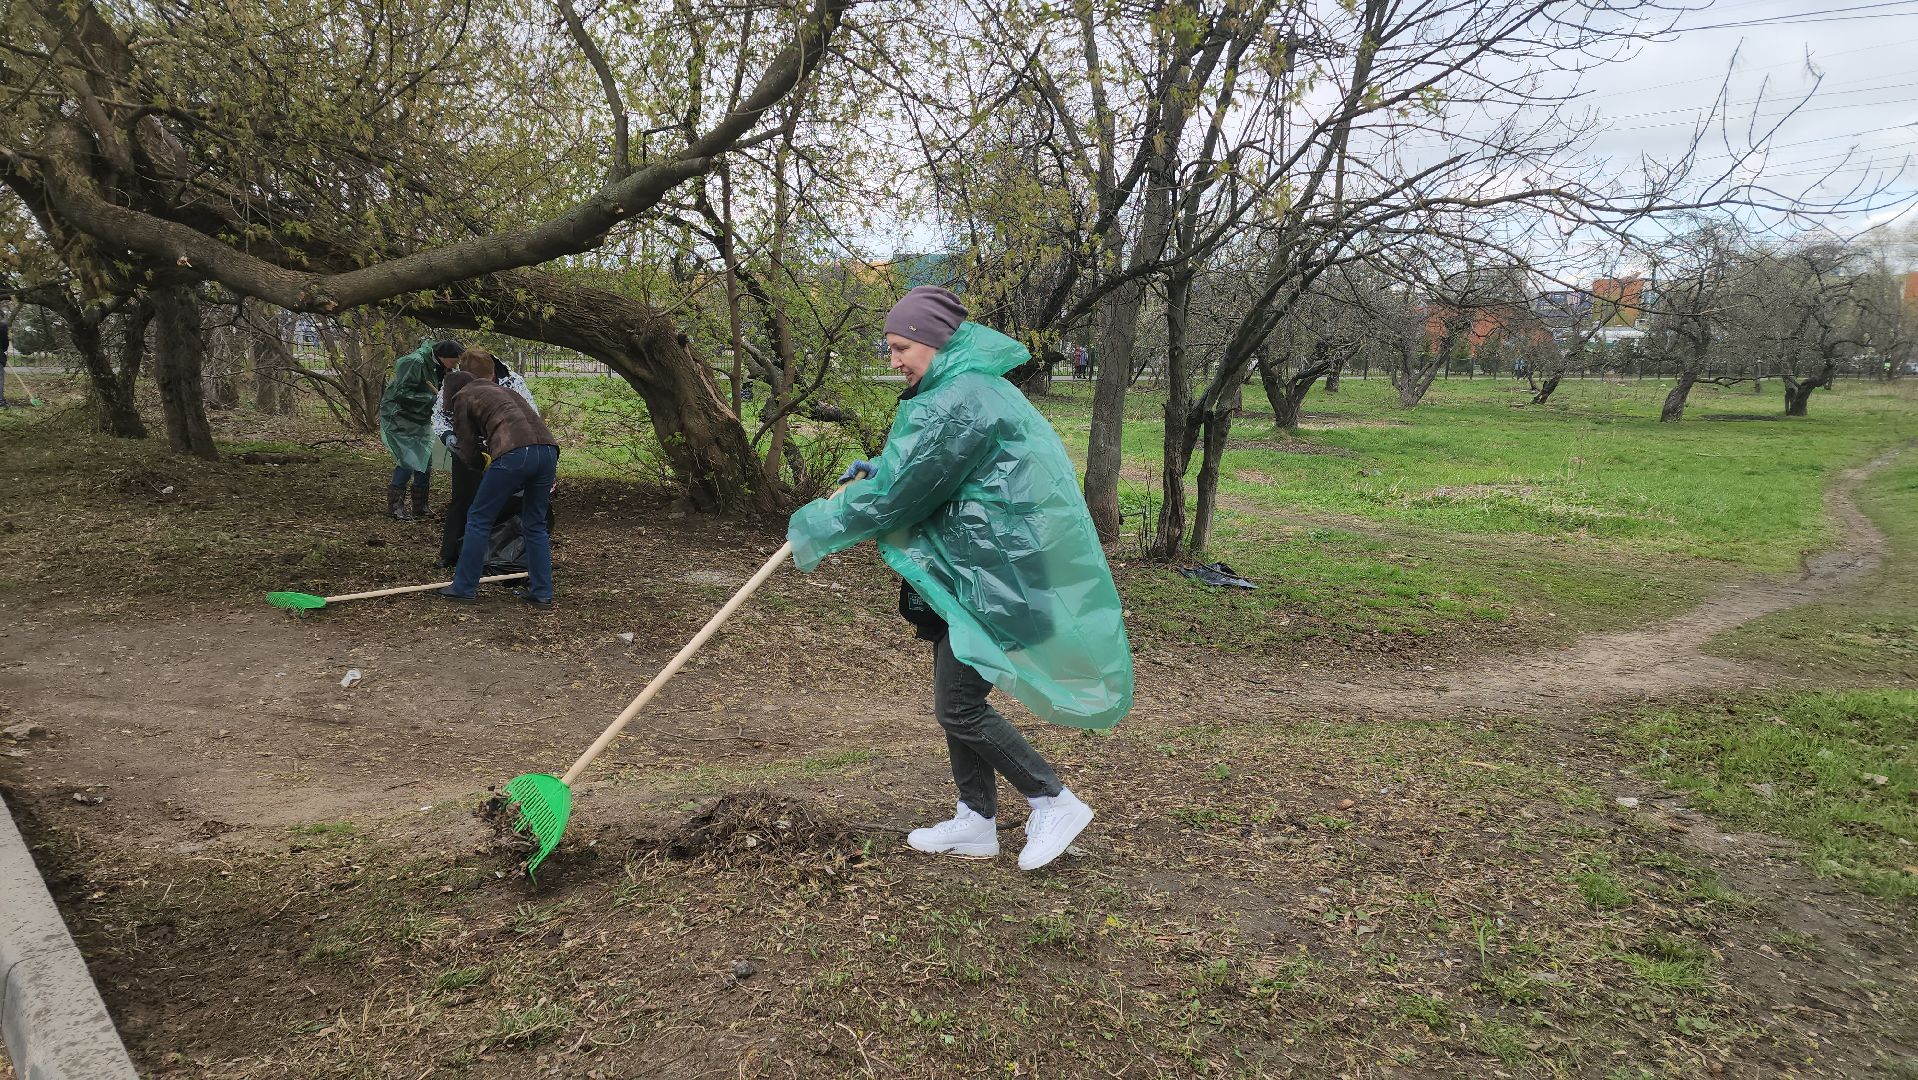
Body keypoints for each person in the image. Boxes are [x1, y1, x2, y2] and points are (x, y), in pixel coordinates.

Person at [787, 286, 1133, 871]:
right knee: (957, 695)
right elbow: (926, 472)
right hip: (983, 573)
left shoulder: (958, 399)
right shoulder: (963, 389)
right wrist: (882, 469)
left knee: (959, 704)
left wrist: (819, 523)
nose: (894, 361)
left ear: (932, 341)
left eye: (901, 348)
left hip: (999, 578)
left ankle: (1053, 800)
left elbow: (900, 495)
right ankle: (976, 819)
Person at [438, 350, 559, 608]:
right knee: (534, 524)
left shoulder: (464, 395)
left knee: (479, 518)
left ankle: (463, 587)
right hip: (548, 451)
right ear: (492, 374)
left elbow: (466, 446)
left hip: (514, 453)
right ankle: (542, 592)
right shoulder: (511, 391)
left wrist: (480, 463)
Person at [430, 345, 539, 568]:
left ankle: (501, 555)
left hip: (506, 448)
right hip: (467, 445)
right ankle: (451, 553)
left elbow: (531, 415)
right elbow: (439, 415)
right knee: (463, 499)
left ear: (491, 375)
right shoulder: (454, 382)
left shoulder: (513, 382)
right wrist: (449, 436)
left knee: (505, 501)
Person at [378, 338, 459, 520]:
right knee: (409, 459)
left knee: (425, 458)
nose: (456, 366)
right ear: (443, 356)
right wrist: (432, 400)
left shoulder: (442, 366)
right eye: (454, 361)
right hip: (400, 415)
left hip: (420, 415)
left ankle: (420, 506)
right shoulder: (414, 362)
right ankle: (395, 507)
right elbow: (400, 392)